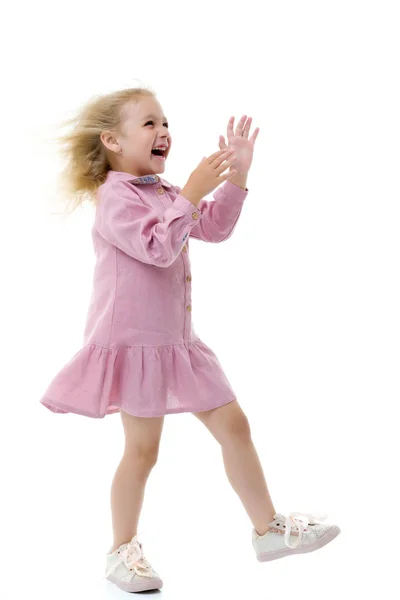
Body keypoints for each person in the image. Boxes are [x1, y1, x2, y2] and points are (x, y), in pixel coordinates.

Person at [39, 87, 341, 593]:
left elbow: (213, 230)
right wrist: (191, 192)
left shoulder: (162, 190)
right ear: (112, 140)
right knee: (142, 452)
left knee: (235, 425)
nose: (164, 132)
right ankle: (121, 551)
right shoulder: (115, 197)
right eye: (150, 123)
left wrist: (236, 175)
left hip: (179, 343)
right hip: (134, 346)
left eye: (166, 122)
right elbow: (156, 248)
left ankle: (267, 531)